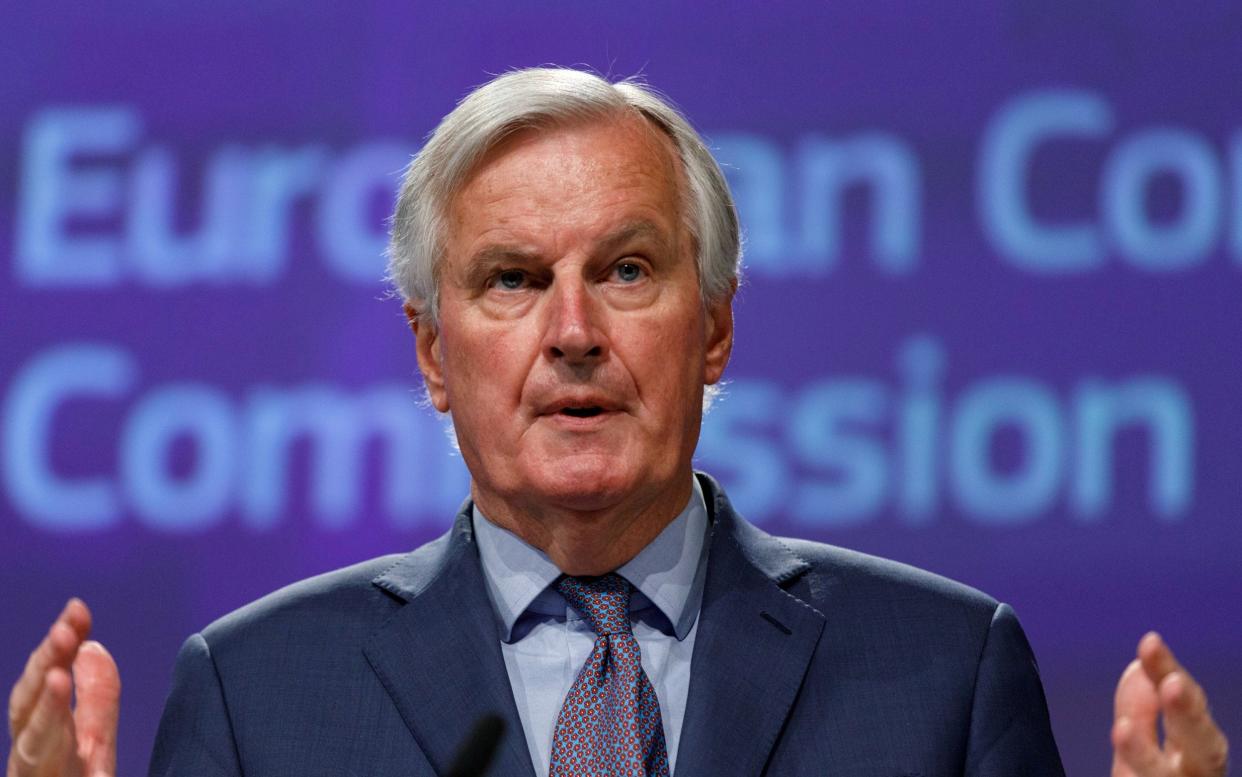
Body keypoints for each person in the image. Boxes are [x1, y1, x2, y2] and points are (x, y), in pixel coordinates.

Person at [6, 68, 1230, 777]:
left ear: (716, 332)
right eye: (512, 280)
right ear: (434, 356)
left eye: (630, 271)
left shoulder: (947, 676)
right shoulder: (258, 695)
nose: (575, 330)